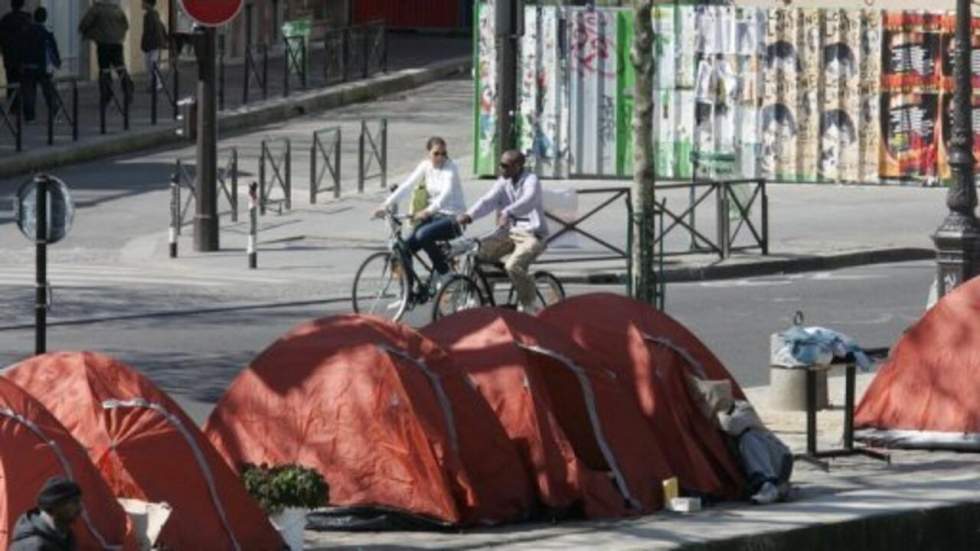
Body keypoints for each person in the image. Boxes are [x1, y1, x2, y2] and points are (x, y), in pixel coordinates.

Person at [457, 150, 548, 313]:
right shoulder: (503, 181)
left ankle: (529, 303)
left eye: (505, 165)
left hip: (532, 235)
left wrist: (508, 212)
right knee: (478, 255)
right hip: (509, 233)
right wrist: (469, 215)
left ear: (518, 166)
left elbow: (529, 200)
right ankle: (482, 299)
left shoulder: (531, 180)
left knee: (513, 265)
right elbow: (487, 201)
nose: (500, 168)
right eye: (500, 164)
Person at [373, 137, 465, 291]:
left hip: (453, 218)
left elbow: (446, 194)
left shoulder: (451, 167)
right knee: (403, 249)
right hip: (434, 216)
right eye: (436, 153)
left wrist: (428, 210)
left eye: (444, 153)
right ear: (428, 153)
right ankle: (408, 293)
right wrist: (386, 204)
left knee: (423, 235)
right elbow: (407, 186)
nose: (441, 157)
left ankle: (445, 272)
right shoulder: (425, 166)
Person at [688, 375, 793, 505]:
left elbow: (732, 425)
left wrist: (715, 413)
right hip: (761, 464)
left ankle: (768, 484)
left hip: (779, 458)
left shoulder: (741, 408)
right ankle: (770, 486)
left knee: (748, 437)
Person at [79, 0, 133, 108]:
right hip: (117, 43)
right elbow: (126, 25)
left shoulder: (96, 9)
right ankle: (127, 88)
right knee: (120, 67)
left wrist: (87, 32)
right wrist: (119, 35)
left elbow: (85, 23)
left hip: (103, 43)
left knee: (104, 70)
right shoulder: (117, 9)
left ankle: (106, 95)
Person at [8, 476, 84, 551]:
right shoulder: (32, 546)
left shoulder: (65, 536)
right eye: (74, 502)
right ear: (56, 505)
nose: (80, 508)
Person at [19, 7, 61, 124]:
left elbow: (20, 49)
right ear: (45, 18)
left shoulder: (25, 32)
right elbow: (52, 50)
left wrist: (20, 63)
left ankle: (30, 117)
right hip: (42, 67)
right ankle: (55, 114)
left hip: (28, 66)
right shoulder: (46, 33)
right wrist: (57, 62)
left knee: (29, 93)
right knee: (49, 92)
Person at [0, 0, 32, 103]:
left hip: (9, 56)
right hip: (23, 57)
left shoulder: (5, 19)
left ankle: (13, 105)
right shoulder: (26, 18)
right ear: (22, 5)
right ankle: (22, 104)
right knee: (23, 82)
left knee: (11, 81)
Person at [141, 0, 168, 92]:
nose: (142, 4)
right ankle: (155, 84)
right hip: (155, 44)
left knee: (151, 64)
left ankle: (156, 84)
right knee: (151, 64)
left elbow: (149, 32)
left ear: (148, 4)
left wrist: (145, 45)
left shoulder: (150, 15)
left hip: (152, 44)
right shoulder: (154, 14)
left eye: (143, 2)